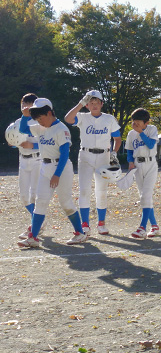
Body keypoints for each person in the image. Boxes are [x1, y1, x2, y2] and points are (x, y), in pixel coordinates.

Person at [17, 98, 88, 247]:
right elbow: (23, 129)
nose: (39, 122)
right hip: (45, 167)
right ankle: (33, 237)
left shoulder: (61, 129)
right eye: (37, 119)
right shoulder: (40, 127)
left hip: (61, 168)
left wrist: (57, 174)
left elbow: (64, 154)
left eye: (41, 118)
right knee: (40, 201)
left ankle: (80, 233)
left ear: (49, 113)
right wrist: (25, 115)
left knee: (66, 202)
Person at [64, 90, 121, 235]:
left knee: (101, 191)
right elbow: (68, 119)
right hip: (86, 155)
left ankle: (101, 223)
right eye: (91, 102)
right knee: (84, 190)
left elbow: (117, 139)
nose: (94, 105)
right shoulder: (82, 117)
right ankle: (85, 224)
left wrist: (114, 153)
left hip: (104, 156)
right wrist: (80, 103)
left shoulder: (109, 119)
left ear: (102, 104)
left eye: (97, 102)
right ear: (87, 105)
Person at [11, 93, 42, 239]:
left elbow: (47, 143)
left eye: (28, 104)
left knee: (34, 195)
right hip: (23, 160)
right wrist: (12, 143)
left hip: (37, 159)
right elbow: (16, 140)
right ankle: (39, 221)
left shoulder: (39, 121)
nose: (25, 106)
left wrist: (33, 145)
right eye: (23, 103)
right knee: (24, 196)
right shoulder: (18, 122)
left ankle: (36, 225)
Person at [126, 108, 160, 238]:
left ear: (146, 122)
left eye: (138, 122)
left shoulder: (152, 129)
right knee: (143, 197)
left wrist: (141, 132)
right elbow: (129, 150)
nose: (135, 124)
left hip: (150, 164)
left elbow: (151, 145)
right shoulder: (131, 134)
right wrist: (130, 162)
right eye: (134, 122)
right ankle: (154, 226)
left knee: (146, 195)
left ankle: (142, 228)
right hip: (138, 165)